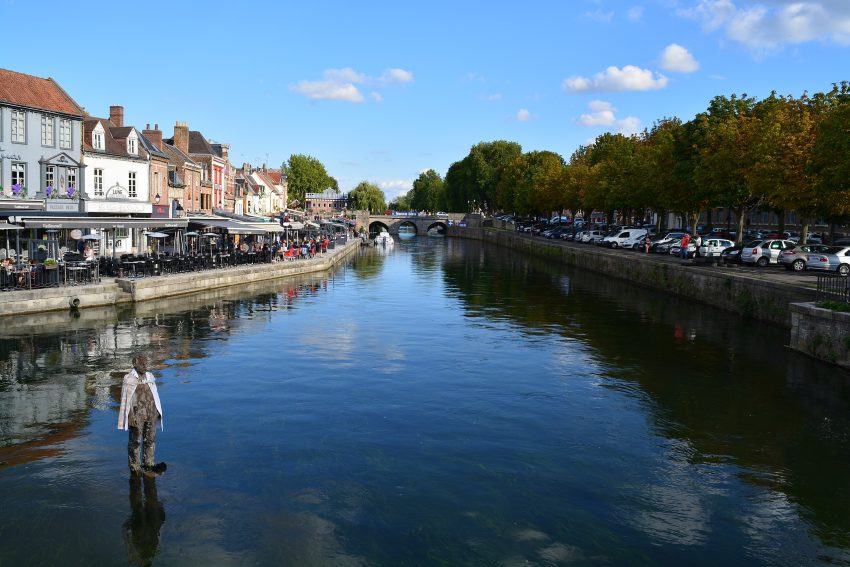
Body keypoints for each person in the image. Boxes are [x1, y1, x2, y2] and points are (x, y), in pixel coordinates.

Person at [118, 355, 166, 476]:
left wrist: (157, 411)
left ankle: (149, 464)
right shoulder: (128, 379)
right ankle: (135, 467)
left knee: (150, 439)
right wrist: (130, 416)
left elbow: (155, 394)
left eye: (146, 363)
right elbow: (126, 400)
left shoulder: (150, 376)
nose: (145, 366)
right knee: (135, 441)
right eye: (142, 364)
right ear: (135, 364)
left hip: (151, 412)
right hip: (137, 414)